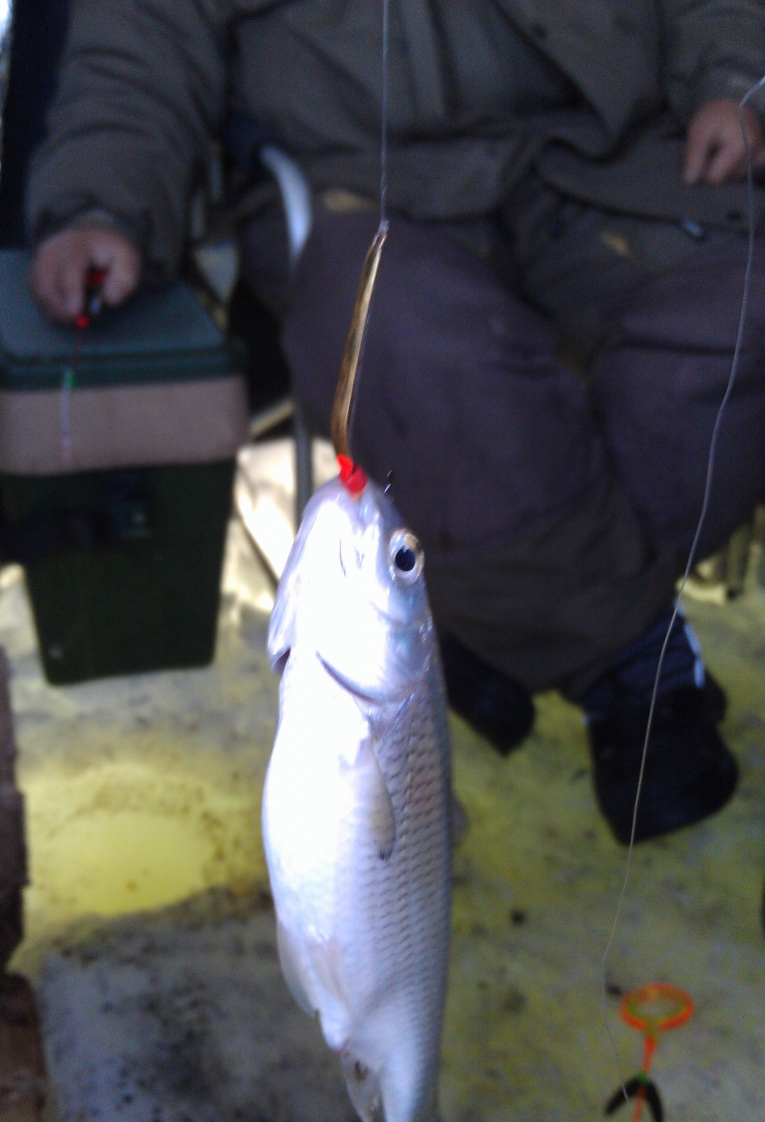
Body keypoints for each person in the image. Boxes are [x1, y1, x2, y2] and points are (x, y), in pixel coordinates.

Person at [27, 0, 765, 843]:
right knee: (414, 347)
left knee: (742, 311)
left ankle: (491, 616)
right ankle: (634, 667)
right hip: (361, 195)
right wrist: (101, 205)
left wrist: (739, 83)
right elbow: (136, 52)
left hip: (600, 165)